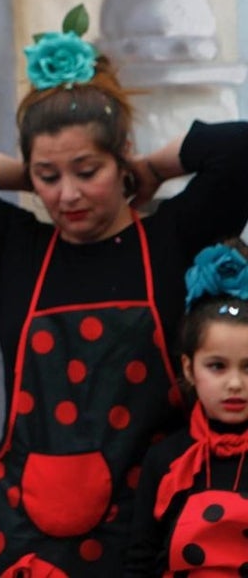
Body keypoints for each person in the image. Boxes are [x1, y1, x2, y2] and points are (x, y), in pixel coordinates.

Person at [0, 15, 248, 577]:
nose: (68, 195)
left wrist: (153, 168)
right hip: (22, 538)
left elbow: (241, 150)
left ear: (120, 157)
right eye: (49, 178)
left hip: (141, 527)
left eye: (88, 171)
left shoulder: (170, 240)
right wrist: (36, 168)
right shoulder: (13, 250)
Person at [126, 238, 248, 576]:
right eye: (217, 366)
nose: (235, 383)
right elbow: (140, 561)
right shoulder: (166, 459)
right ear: (188, 368)